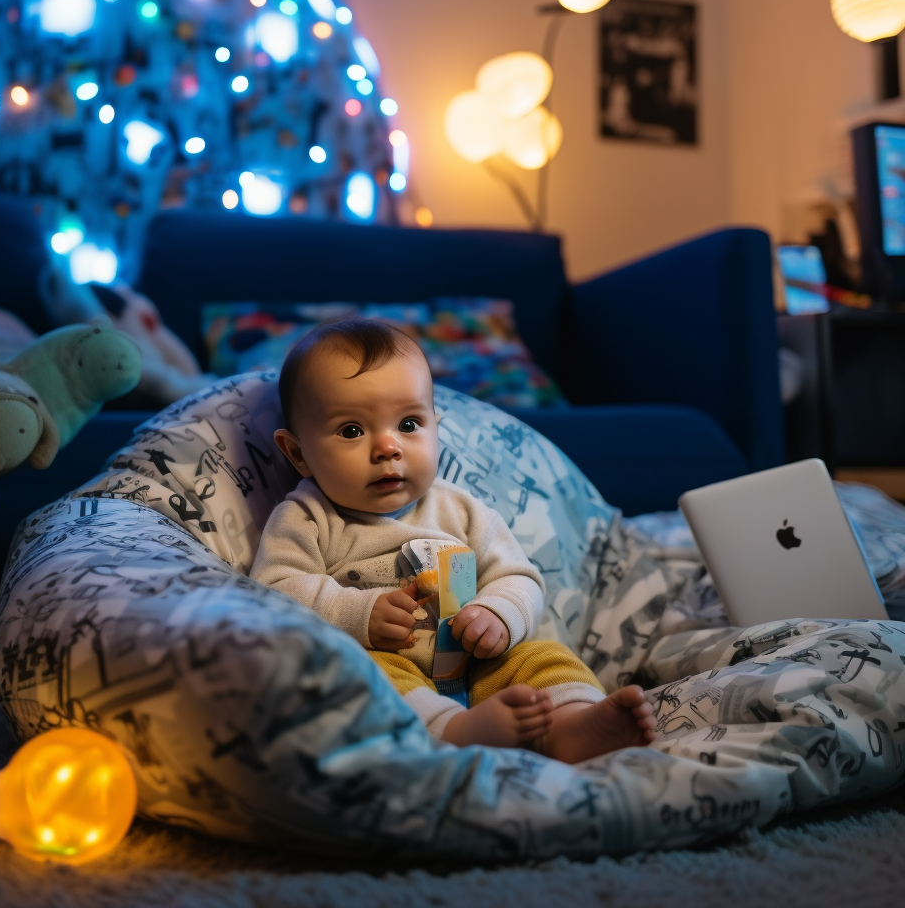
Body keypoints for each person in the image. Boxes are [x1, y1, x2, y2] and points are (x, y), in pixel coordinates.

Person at [250, 319, 656, 762]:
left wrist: (497, 613)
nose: (388, 447)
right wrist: (357, 613)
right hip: (389, 659)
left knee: (544, 658)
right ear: (298, 453)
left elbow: (518, 576)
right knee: (365, 677)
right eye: (352, 430)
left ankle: (574, 724)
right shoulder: (307, 518)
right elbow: (274, 592)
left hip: (480, 662)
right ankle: (456, 732)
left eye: (409, 423)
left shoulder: (460, 509)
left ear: (435, 427)